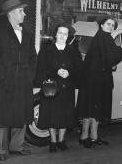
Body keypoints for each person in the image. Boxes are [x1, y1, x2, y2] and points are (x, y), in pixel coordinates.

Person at [0, 0, 37, 161]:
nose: (24, 14)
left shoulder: (27, 34)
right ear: (12, 13)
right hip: (4, 83)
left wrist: (29, 76)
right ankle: (0, 150)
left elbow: (33, 58)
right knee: (2, 118)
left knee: (20, 116)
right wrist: (3, 78)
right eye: (21, 11)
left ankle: (16, 146)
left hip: (23, 82)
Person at [77, 17, 122, 148]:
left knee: (92, 108)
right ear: (102, 25)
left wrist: (116, 59)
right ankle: (85, 137)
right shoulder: (104, 37)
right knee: (92, 108)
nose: (110, 27)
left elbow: (109, 55)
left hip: (94, 78)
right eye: (108, 24)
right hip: (95, 79)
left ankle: (91, 136)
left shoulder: (101, 37)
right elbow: (114, 53)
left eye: (113, 25)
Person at [34, 23, 82, 153]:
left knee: (65, 116)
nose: (62, 36)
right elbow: (41, 69)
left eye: (65, 34)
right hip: (52, 88)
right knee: (52, 115)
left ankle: (61, 141)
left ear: (68, 36)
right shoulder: (46, 51)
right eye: (60, 33)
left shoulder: (73, 51)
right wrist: (56, 72)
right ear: (55, 34)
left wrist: (69, 73)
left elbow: (79, 68)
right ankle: (53, 142)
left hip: (67, 88)